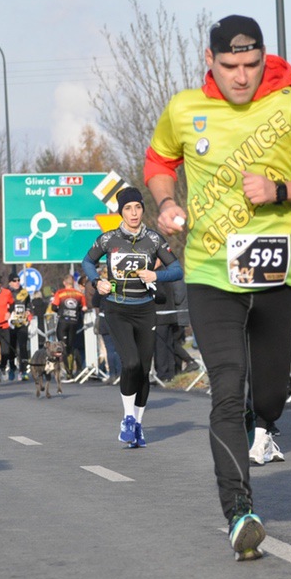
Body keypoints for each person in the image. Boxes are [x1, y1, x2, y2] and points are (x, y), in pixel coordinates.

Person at [144, 14, 291, 559]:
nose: (241, 76)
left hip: (276, 273)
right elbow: (159, 160)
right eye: (230, 65)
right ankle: (240, 511)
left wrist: (281, 189)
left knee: (269, 397)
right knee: (227, 389)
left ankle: (260, 418)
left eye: (252, 65)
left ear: (264, 59)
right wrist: (166, 202)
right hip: (210, 273)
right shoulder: (184, 109)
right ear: (209, 61)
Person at [82, 187, 183, 447]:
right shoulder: (108, 239)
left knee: (144, 370)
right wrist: (97, 281)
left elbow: (177, 269)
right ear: (121, 212)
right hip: (117, 308)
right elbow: (87, 262)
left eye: (138, 207)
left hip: (145, 309)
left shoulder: (154, 239)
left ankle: (138, 424)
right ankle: (127, 418)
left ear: (142, 209)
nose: (134, 213)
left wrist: (156, 275)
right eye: (128, 208)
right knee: (130, 363)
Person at [50, 274, 86, 380]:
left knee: (63, 347)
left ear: (64, 283)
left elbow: (53, 307)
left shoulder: (60, 293)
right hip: (74, 322)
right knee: (71, 347)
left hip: (63, 322)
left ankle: (69, 373)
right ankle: (74, 370)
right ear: (73, 283)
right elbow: (84, 307)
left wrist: (61, 311)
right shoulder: (79, 294)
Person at [7, 273, 31, 381]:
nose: (17, 283)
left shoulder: (24, 292)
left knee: (23, 347)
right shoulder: (6, 292)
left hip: (22, 322)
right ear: (10, 282)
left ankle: (23, 371)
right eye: (14, 281)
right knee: (11, 347)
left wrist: (28, 311)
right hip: (10, 323)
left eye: (18, 280)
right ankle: (12, 368)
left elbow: (29, 305)